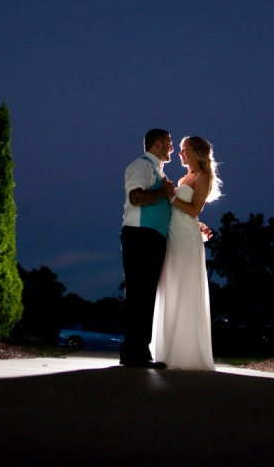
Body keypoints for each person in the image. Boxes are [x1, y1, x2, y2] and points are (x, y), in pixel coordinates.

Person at [151, 136, 221, 371]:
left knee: (185, 289)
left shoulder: (203, 177)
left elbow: (193, 209)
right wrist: (201, 226)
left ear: (196, 152)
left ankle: (187, 353)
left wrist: (171, 195)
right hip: (175, 236)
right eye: (180, 150)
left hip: (187, 242)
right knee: (171, 287)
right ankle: (168, 348)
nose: (180, 153)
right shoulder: (183, 178)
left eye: (184, 150)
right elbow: (188, 213)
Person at [119, 129, 175, 368]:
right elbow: (136, 198)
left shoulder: (158, 171)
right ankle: (133, 353)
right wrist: (164, 192)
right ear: (158, 143)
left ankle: (139, 351)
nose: (172, 149)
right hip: (140, 235)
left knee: (146, 293)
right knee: (138, 293)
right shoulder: (140, 166)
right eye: (169, 144)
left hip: (153, 236)